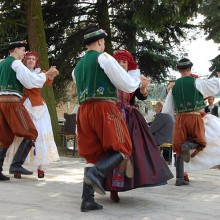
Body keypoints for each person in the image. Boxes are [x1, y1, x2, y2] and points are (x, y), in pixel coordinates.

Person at [72, 28, 148, 212]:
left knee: (92, 154)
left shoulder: (77, 67)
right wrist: (139, 82)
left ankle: (87, 200)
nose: (104, 45)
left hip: (83, 110)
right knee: (123, 147)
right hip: (104, 108)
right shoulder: (104, 58)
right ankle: (97, 174)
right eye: (103, 42)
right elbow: (126, 83)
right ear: (99, 42)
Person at [104, 50, 173, 203]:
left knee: (134, 149)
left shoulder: (132, 79)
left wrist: (143, 87)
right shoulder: (109, 77)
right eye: (119, 62)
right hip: (111, 116)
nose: (122, 64)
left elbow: (141, 95)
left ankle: (128, 180)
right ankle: (113, 187)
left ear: (129, 65)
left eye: (124, 62)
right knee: (112, 149)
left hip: (128, 118)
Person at [0, 40, 59, 181]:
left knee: (5, 137)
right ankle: (16, 164)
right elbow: (30, 81)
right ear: (15, 50)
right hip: (13, 102)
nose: (24, 53)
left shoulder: (2, 63)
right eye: (22, 50)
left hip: (1, 102)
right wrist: (46, 75)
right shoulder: (16, 63)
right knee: (31, 132)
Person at [162, 58, 220, 186]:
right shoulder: (197, 83)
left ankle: (179, 179)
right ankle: (188, 146)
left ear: (179, 70)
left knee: (177, 149)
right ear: (190, 69)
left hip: (180, 120)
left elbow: (166, 110)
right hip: (194, 117)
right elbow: (215, 85)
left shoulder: (174, 88)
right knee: (199, 141)